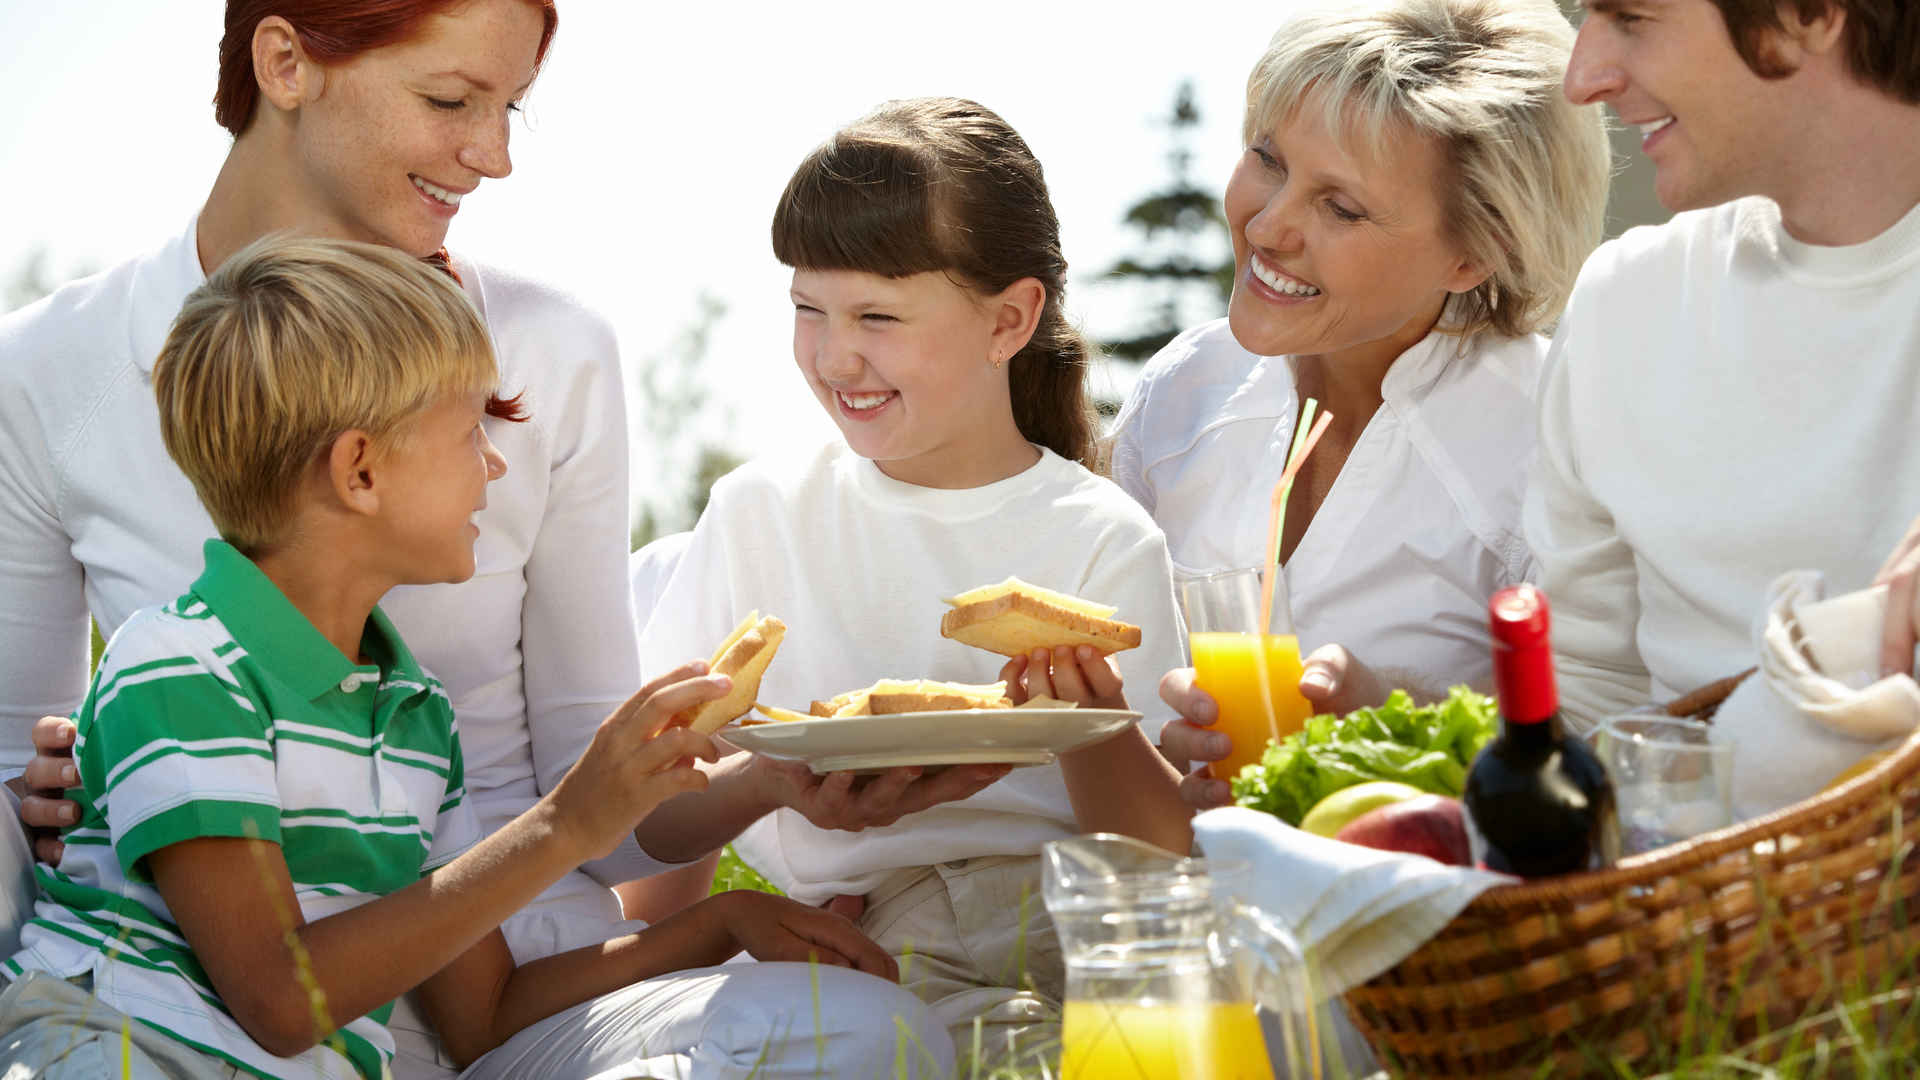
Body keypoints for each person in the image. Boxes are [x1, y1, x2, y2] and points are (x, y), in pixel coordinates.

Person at [0, 2, 946, 1075]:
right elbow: (265, 986)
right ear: (283, 63)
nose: (493, 157)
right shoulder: (64, 414)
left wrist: (764, 797)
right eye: (451, 100)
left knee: (875, 1034)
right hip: (166, 1029)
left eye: (509, 111)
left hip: (457, 990)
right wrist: (66, 785)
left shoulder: (409, 719)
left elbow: (527, 912)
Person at [635, 97, 1192, 1059]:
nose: (834, 355)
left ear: (1009, 319)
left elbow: (1161, 864)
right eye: (808, 308)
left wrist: (1087, 729)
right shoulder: (761, 512)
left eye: (878, 317)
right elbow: (653, 830)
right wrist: (771, 782)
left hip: (1070, 934)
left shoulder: (1102, 539)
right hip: (854, 944)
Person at [1118, 0, 1613, 803]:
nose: (1268, 226)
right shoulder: (1183, 389)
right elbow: (1108, 703)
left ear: (1473, 253)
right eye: (1267, 160)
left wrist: (1394, 727)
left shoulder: (1549, 439)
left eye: (1339, 208)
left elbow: (1611, 750)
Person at [1528, 0, 1920, 735]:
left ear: (1811, 15)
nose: (1582, 80)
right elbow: (1587, 695)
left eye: (1632, 19)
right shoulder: (1625, 302)